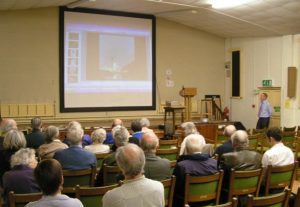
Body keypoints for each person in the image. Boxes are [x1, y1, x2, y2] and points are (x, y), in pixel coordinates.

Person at [173, 134, 218, 207]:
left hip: (187, 204)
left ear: (186, 148)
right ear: (203, 148)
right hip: (210, 202)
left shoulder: (182, 166)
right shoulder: (215, 163)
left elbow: (175, 188)